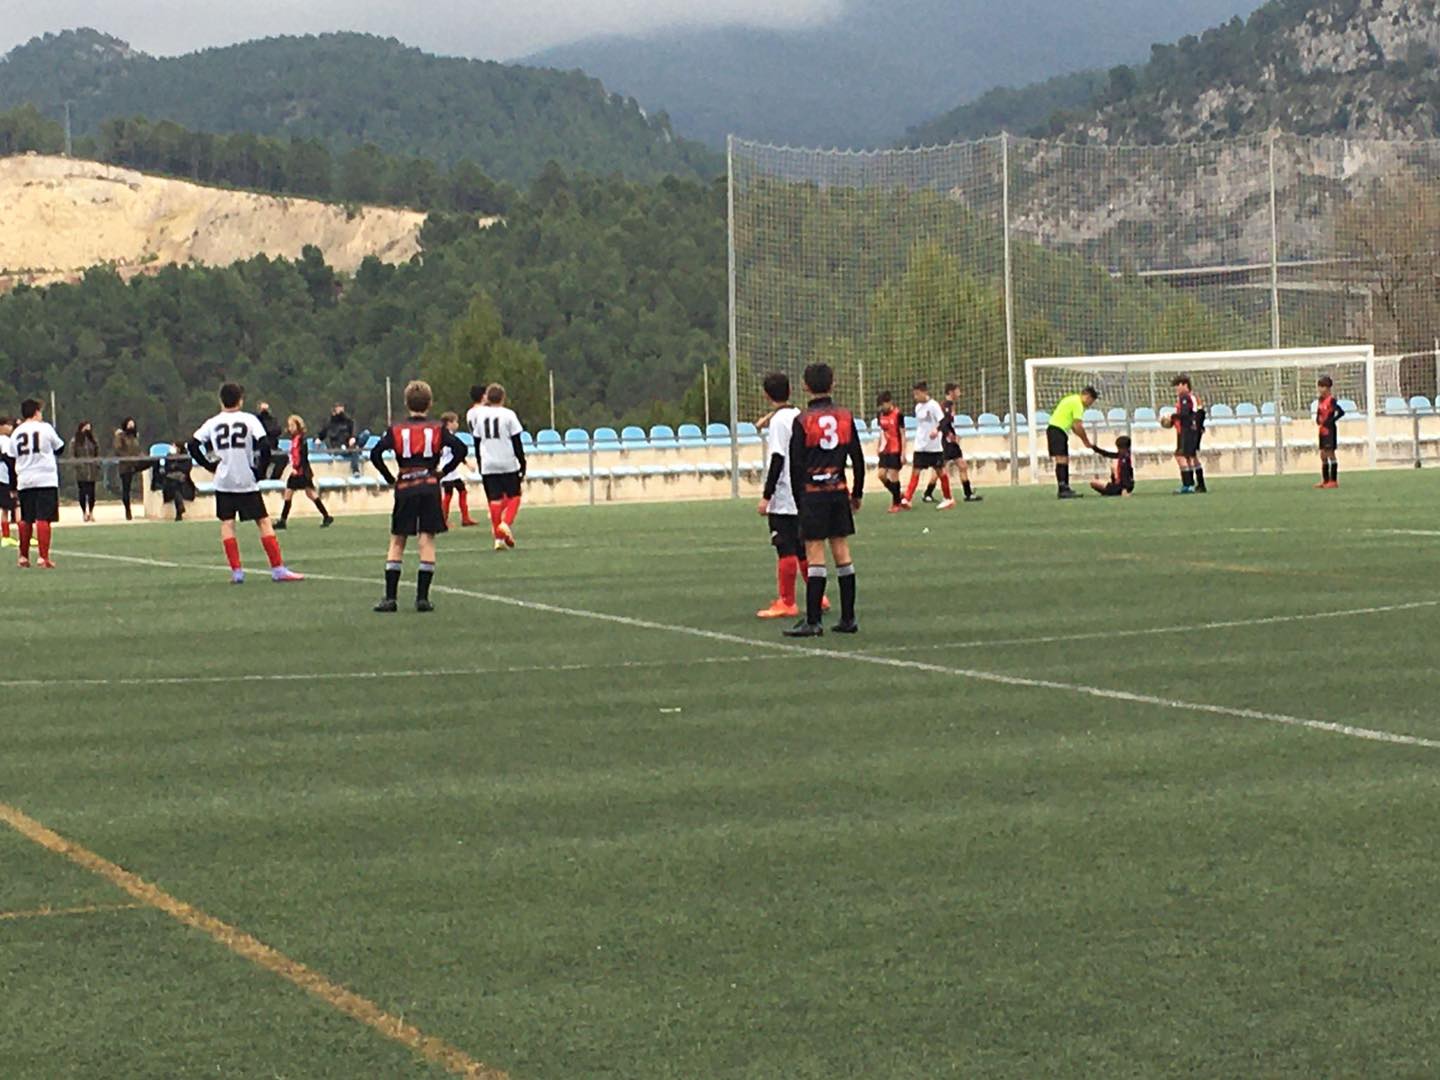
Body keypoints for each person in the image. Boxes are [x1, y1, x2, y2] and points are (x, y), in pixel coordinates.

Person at [187, 383, 304, 585]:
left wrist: (207, 464)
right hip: (245, 479)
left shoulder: (212, 422)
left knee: (227, 523)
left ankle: (237, 572)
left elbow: (192, 444)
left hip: (224, 480)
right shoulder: (249, 420)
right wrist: (259, 471)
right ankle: (277, 568)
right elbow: (265, 445)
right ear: (240, 400)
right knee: (263, 521)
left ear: (221, 400)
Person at [370, 380, 467, 612]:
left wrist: (390, 478)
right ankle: (422, 598)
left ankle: (390, 598)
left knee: (397, 539)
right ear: (430, 404)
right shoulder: (436, 429)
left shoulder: (396, 429)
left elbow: (375, 454)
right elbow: (461, 449)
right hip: (430, 486)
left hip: (405, 487)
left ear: (406, 403)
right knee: (427, 539)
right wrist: (442, 471)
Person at [784, 362, 864, 638]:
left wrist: (798, 499)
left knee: (815, 552)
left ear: (805, 386)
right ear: (833, 383)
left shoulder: (802, 421)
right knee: (841, 551)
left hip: (813, 494)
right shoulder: (844, 416)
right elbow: (858, 458)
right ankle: (849, 617)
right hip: (838, 490)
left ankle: (814, 620)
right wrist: (857, 493)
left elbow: (795, 465)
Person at [756, 372, 826, 619]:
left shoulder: (778, 422)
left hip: (784, 493)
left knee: (785, 547)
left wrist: (767, 495)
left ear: (766, 394)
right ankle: (819, 596)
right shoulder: (799, 415)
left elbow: (777, 458)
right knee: (802, 548)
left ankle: (787, 602)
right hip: (803, 490)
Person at [466, 383, 527, 551]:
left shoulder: (480, 416)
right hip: (507, 461)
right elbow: (516, 440)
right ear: (503, 397)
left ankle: (498, 540)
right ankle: (505, 524)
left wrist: (479, 461)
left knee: (494, 499)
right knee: (515, 495)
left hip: (488, 462)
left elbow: (477, 441)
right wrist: (522, 461)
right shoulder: (508, 415)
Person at [11, 398, 65, 568]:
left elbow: (12, 455)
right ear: (36, 412)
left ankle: (23, 556)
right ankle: (43, 557)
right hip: (45, 478)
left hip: (25, 479)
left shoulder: (17, 432)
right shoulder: (45, 428)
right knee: (43, 518)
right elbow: (60, 447)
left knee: (26, 519)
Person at [274, 415, 334, 529]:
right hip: (301, 471)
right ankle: (326, 516)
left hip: (301, 472)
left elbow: (301, 457)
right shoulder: (296, 439)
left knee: (303, 494)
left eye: (292, 425)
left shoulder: (300, 440)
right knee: (302, 493)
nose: (290, 428)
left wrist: (297, 469)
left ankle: (283, 520)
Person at [899, 381, 945, 509]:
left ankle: (948, 498)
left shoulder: (934, 406)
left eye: (917, 394)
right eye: (914, 395)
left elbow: (943, 421)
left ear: (924, 392)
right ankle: (907, 499)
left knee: (941, 472)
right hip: (921, 445)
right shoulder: (918, 407)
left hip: (934, 447)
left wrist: (937, 430)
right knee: (916, 471)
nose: (916, 397)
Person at [1047, 386, 1098, 499]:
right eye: (1091, 401)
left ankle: (1064, 487)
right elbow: (1077, 426)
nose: (1090, 404)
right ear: (1087, 396)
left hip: (1057, 430)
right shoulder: (1078, 404)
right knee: (1062, 459)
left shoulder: (1071, 399)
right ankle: (1063, 489)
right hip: (1057, 430)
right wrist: (1086, 441)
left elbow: (1074, 427)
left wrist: (1084, 440)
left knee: (1064, 459)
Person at [936, 382, 981, 508]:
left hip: (950, 440)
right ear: (951, 392)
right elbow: (944, 423)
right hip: (948, 441)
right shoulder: (946, 406)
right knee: (941, 468)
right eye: (957, 391)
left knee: (962, 465)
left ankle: (968, 493)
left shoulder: (949, 405)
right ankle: (930, 492)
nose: (959, 393)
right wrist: (950, 435)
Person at [438, 411, 478, 528]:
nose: (457, 424)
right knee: (449, 494)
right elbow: (454, 453)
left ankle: (465, 518)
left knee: (461, 491)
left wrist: (466, 463)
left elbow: (457, 453)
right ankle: (443, 520)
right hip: (447, 469)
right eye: (455, 422)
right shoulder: (446, 437)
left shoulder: (446, 436)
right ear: (449, 423)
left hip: (451, 469)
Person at [1171, 374, 1207, 494]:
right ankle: (1200, 484)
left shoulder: (1185, 397)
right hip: (1192, 430)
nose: (1176, 389)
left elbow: (1186, 414)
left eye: (1178, 386)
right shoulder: (1193, 397)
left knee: (1181, 455)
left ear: (1185, 385)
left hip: (1188, 430)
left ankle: (1188, 484)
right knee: (1191, 456)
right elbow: (1201, 413)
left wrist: (1171, 417)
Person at [874, 391, 907, 512]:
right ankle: (898, 494)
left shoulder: (898, 414)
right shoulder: (880, 414)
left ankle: (896, 504)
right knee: (881, 475)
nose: (882, 408)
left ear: (889, 402)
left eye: (883, 405)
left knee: (894, 475)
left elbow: (903, 434)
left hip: (895, 448)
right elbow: (881, 432)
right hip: (885, 448)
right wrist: (878, 446)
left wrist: (903, 453)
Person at [1315, 375, 1345, 489]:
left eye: (1322, 387)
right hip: (1322, 430)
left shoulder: (1331, 400)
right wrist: (1318, 419)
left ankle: (1333, 480)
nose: (1320, 389)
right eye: (1319, 387)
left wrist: (1331, 421)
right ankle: (1325, 480)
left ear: (1327, 388)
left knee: (1330, 454)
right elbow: (1319, 412)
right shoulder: (1320, 400)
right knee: (1323, 454)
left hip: (1329, 430)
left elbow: (1341, 412)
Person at [113, 417, 144, 520]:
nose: (131, 426)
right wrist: (128, 458)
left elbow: (137, 450)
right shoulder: (121, 436)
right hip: (125, 466)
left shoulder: (135, 436)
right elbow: (118, 450)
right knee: (126, 489)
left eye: (132, 424)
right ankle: (128, 510)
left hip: (135, 464)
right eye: (129, 424)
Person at [71, 420, 101, 522]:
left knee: (92, 493)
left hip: (92, 471)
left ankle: (91, 512)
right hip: (81, 472)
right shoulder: (75, 441)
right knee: (82, 493)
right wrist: (78, 465)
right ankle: (84, 512)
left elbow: (97, 454)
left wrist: (96, 465)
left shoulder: (93, 441)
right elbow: (72, 455)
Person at [157, 441, 194, 520]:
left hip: (183, 481)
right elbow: (167, 469)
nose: (172, 448)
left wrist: (176, 466)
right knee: (174, 485)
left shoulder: (186, 457)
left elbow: (186, 469)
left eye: (174, 446)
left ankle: (179, 510)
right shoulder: (169, 457)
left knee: (176, 486)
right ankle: (180, 508)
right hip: (170, 481)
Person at [256, 401, 286, 480]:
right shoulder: (255, 420)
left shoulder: (273, 420)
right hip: (259, 449)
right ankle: (260, 477)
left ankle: (275, 478)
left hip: (273, 448)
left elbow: (278, 431)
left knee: (284, 457)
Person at [0, 416, 17, 548]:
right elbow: (10, 460)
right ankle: (7, 536)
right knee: (12, 507)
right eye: (8, 425)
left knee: (5, 508)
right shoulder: (5, 440)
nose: (10, 428)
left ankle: (6, 535)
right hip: (4, 478)